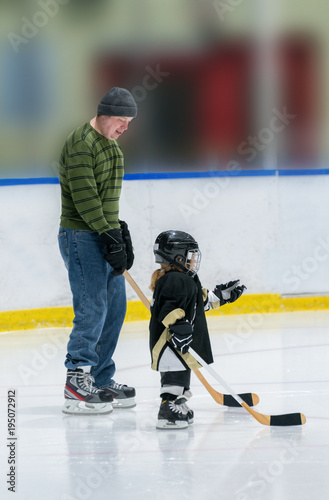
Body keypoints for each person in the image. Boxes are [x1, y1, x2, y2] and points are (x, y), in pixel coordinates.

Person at [58, 87, 137, 415]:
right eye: (121, 120)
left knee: (115, 307)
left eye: (129, 122)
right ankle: (77, 380)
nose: (125, 128)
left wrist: (120, 232)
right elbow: (86, 198)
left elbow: (108, 200)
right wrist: (108, 235)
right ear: (103, 115)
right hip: (80, 236)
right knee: (92, 306)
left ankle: (102, 378)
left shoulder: (113, 150)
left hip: (102, 234)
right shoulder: (81, 145)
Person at [149, 230, 246, 429]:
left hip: (177, 340)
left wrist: (219, 296)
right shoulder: (175, 279)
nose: (193, 260)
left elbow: (194, 302)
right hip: (170, 341)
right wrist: (178, 326)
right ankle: (167, 410)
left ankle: (177, 404)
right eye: (189, 255)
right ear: (177, 256)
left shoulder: (183, 278)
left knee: (181, 372)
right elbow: (169, 308)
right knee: (174, 374)